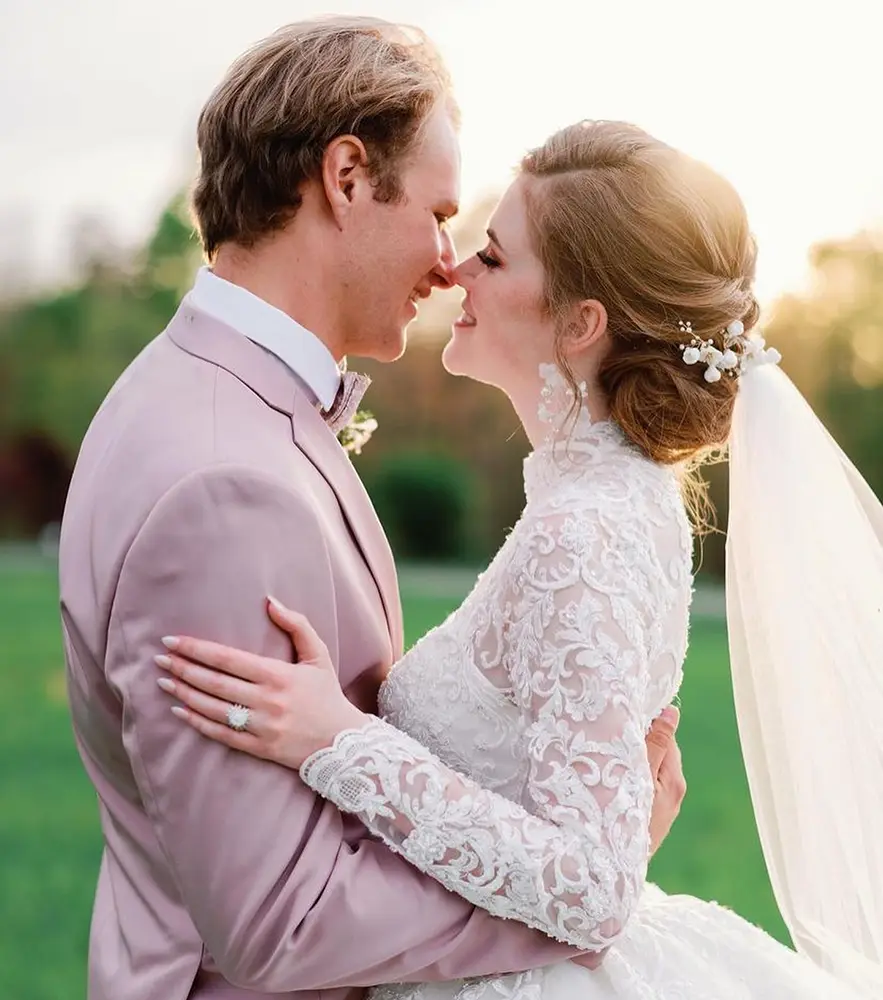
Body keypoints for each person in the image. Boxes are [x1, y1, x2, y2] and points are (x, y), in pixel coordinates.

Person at [155, 118, 883, 999]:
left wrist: (336, 739)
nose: (453, 270)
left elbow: (593, 890)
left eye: (493, 259)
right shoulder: (618, 499)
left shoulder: (583, 535)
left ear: (579, 323)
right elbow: (589, 837)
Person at [58, 19, 684, 1000]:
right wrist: (579, 895)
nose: (448, 265)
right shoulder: (221, 484)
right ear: (346, 175)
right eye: (440, 214)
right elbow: (283, 917)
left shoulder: (216, 399)